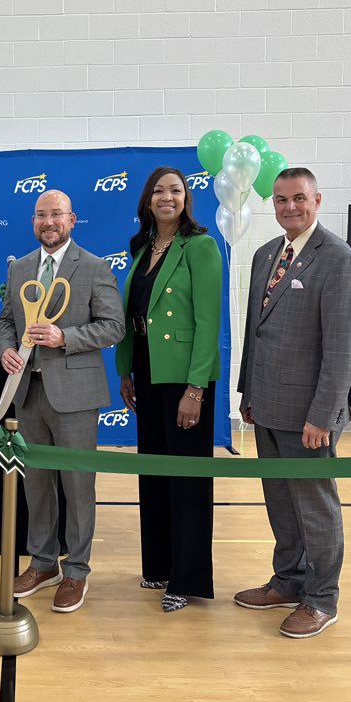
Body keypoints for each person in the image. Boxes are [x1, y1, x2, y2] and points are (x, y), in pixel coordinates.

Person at [234, 167, 351, 638]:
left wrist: (322, 416)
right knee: (280, 502)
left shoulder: (340, 260)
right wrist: (248, 393)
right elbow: (256, 330)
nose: (289, 207)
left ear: (317, 200)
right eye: (280, 199)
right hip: (268, 405)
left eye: (298, 198)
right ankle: (289, 581)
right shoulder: (267, 254)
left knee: (315, 508)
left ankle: (321, 599)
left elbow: (344, 349)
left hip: (310, 414)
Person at [0, 189, 125, 613]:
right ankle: (43, 563)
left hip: (75, 395)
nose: (48, 222)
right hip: (28, 393)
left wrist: (63, 337)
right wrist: (6, 349)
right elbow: (6, 321)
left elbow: (114, 326)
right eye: (41, 215)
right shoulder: (19, 268)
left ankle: (76, 571)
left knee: (77, 485)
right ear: (33, 221)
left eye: (56, 214)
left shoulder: (94, 266)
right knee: (36, 485)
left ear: (72, 220)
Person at [116, 167, 222, 613]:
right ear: (147, 200)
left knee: (187, 481)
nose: (167, 197)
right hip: (146, 369)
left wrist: (195, 389)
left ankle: (187, 578)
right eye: (158, 190)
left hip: (184, 376)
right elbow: (134, 314)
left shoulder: (200, 246)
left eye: (175, 190)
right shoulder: (142, 247)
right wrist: (125, 370)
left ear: (186, 199)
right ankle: (159, 566)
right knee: (155, 474)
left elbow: (208, 321)